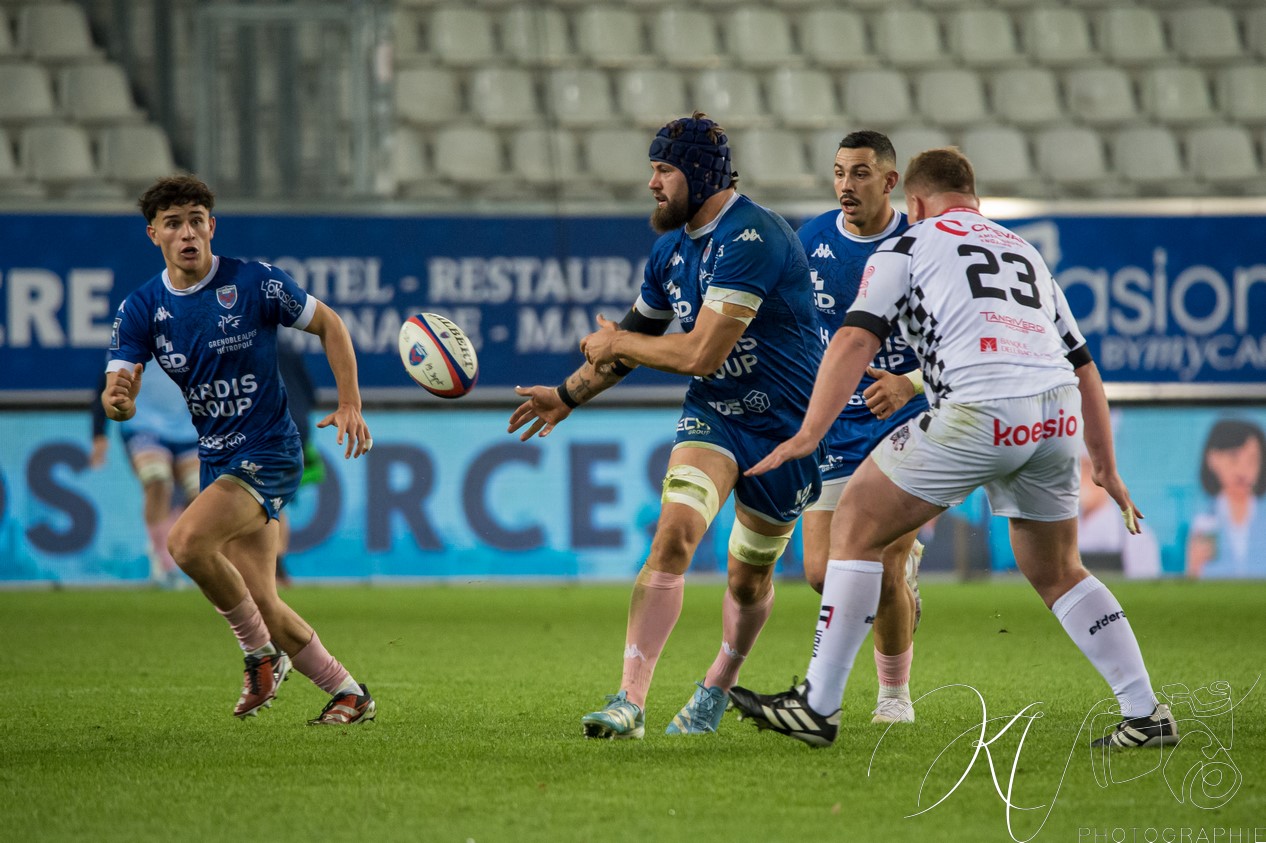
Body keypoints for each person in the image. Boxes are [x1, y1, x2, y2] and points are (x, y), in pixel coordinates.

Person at [730, 148, 1176, 751]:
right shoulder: (1023, 250)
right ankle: (1146, 713)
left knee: (855, 524)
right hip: (1052, 418)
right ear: (974, 198)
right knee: (1057, 569)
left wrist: (809, 434)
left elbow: (856, 339)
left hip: (981, 410)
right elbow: (1085, 366)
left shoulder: (907, 247)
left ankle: (818, 704)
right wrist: (1106, 466)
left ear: (912, 202)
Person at [509, 113, 826, 739]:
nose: (652, 183)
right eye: (653, 169)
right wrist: (568, 395)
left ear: (701, 174)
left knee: (748, 576)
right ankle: (629, 700)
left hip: (786, 432)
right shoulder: (670, 252)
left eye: (663, 169)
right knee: (674, 534)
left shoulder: (752, 238)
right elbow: (634, 347)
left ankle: (718, 684)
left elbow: (698, 352)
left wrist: (616, 340)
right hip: (715, 415)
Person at [103, 174, 376, 725]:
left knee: (186, 542)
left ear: (211, 226)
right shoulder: (143, 307)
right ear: (154, 233)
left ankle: (258, 656)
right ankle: (348, 692)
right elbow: (117, 387)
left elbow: (331, 325)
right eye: (174, 223)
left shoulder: (254, 283)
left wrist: (350, 403)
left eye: (196, 220)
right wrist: (119, 402)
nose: (187, 233)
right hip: (217, 457)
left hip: (271, 449)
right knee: (264, 600)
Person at [796, 130, 928, 724]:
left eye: (861, 174)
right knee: (824, 572)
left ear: (890, 181)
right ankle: (901, 584)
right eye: (839, 173)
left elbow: (964, 340)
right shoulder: (813, 238)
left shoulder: (921, 244)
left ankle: (893, 697)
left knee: (884, 561)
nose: (847, 185)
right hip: (832, 425)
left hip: (904, 420)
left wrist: (911, 381)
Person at [91, 363, 200, 588]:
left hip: (190, 426)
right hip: (144, 425)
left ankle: (167, 540)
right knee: (157, 479)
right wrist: (99, 433)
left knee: (202, 491)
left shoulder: (200, 331)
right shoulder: (133, 329)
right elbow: (107, 383)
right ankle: (162, 561)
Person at [1187, 419, 1266, 578]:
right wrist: (1194, 567)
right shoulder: (1204, 521)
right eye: (1233, 459)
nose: (1243, 471)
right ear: (1212, 459)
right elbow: (1193, 580)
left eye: (1252, 460)